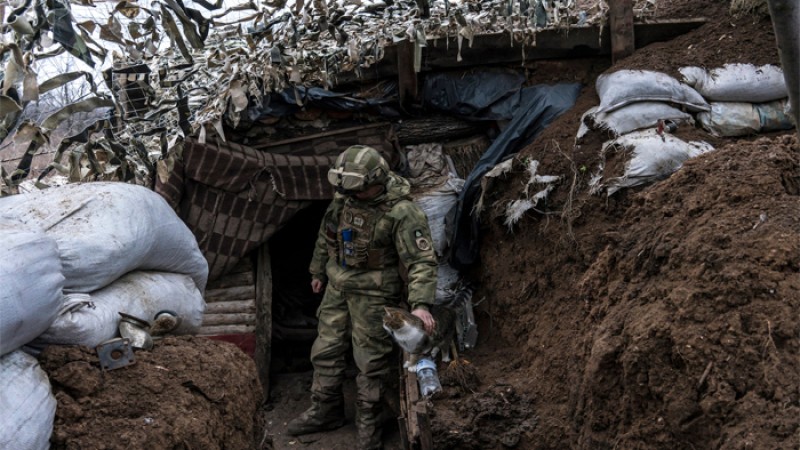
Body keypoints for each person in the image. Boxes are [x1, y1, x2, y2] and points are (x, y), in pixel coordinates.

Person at [287, 145, 438, 450]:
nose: (353, 195)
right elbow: (326, 234)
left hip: (375, 295)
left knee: (370, 361)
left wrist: (420, 304)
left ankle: (370, 422)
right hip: (338, 288)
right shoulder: (345, 197)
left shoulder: (402, 211)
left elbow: (421, 261)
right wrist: (317, 271)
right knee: (325, 349)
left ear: (377, 180)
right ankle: (325, 410)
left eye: (360, 189)